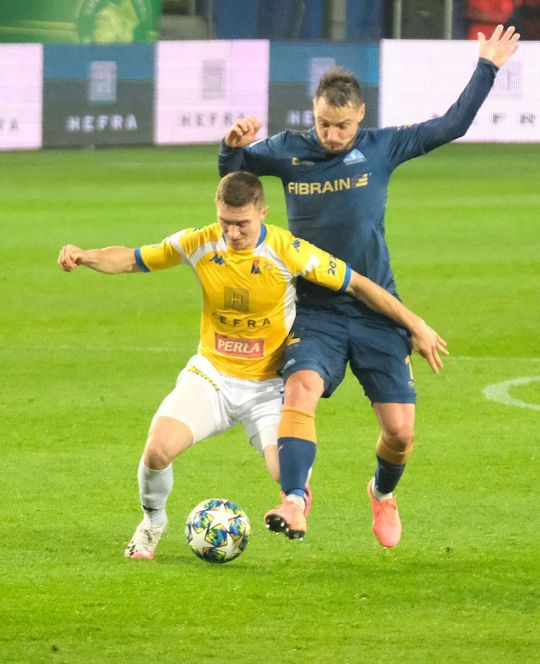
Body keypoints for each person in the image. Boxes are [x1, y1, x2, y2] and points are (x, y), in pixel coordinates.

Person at [218, 25, 520, 547]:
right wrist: (230, 147)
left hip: (377, 307)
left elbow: (453, 124)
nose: (331, 135)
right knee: (300, 388)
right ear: (313, 114)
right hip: (316, 309)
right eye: (323, 123)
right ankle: (294, 500)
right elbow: (234, 175)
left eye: (341, 125)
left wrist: (487, 67)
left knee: (400, 433)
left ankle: (382, 493)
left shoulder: (383, 147)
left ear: (360, 115)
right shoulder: (288, 151)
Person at [58, 171, 447, 558]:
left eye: (242, 223)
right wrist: (86, 255)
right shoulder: (199, 242)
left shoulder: (288, 250)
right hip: (212, 376)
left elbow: (358, 284)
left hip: (268, 387)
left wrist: (415, 324)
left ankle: (296, 502)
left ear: (263, 212)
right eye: (225, 222)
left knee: (288, 473)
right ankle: (152, 521)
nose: (232, 233)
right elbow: (133, 259)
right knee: (157, 450)